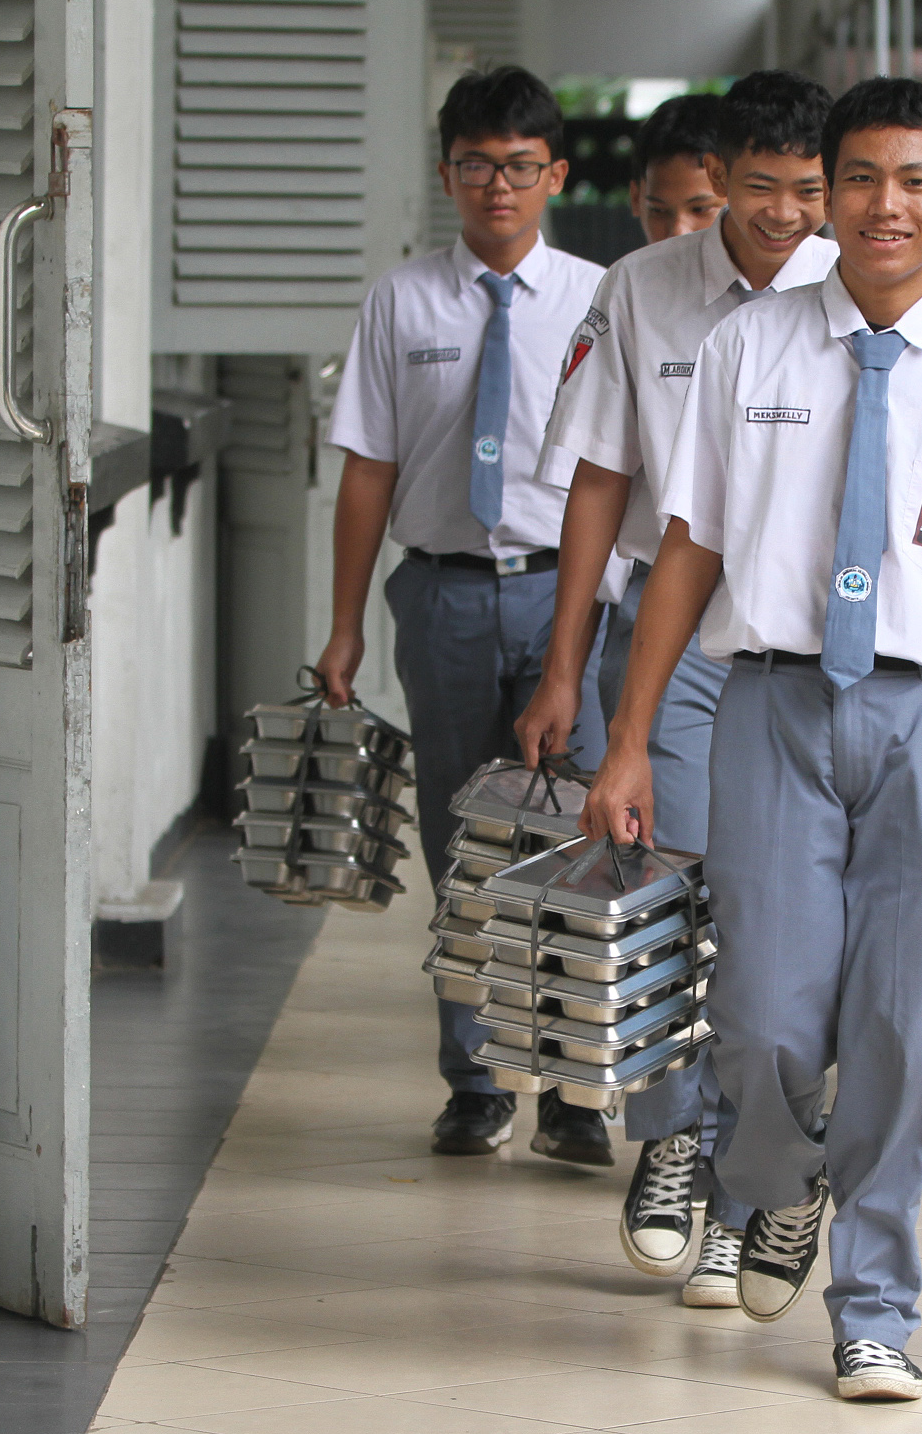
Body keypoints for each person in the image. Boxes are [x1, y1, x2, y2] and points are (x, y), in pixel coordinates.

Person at [581, 78, 922, 1403]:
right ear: (828, 191)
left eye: (913, 182)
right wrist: (629, 735)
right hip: (770, 703)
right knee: (759, 1015)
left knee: (905, 1034)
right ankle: (776, 1178)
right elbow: (686, 547)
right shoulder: (753, 347)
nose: (884, 205)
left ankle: (873, 1304)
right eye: (858, 178)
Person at [518, 71, 840, 1310]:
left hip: (810, 648)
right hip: (671, 641)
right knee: (671, 891)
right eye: (758, 188)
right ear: (715, 184)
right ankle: (672, 1142)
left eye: (806, 191)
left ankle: (756, 1186)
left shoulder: (850, 289)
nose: (784, 214)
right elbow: (599, 482)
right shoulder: (640, 290)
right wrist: (565, 666)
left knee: (779, 925)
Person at [312, 66, 615, 1166]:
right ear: (448, 173)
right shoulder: (401, 302)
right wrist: (343, 624)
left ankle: (578, 1087)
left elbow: (618, 470)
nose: (500, 185)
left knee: (581, 841)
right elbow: (366, 472)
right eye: (480, 164)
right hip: (439, 588)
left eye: (522, 166)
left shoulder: (598, 297)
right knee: (462, 836)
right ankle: (476, 1077)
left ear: (556, 176)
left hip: (561, 593)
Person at [628, 92, 729, 243]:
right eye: (658, 211)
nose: (678, 232)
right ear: (635, 199)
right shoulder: (624, 268)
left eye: (700, 209)